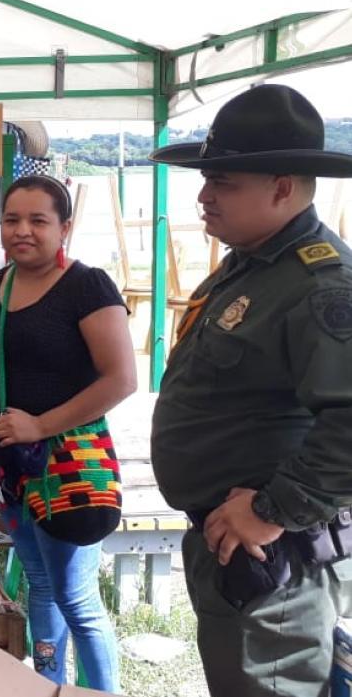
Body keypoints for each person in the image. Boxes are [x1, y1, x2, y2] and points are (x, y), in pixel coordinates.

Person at [150, 84, 352, 697]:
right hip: (232, 547)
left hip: (272, 555)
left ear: (282, 187)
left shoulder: (320, 287)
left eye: (224, 183)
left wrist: (270, 513)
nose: (203, 196)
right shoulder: (250, 266)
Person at [0, 175, 136, 691]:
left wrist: (40, 424)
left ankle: (98, 691)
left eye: (38, 220)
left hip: (67, 464)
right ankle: (48, 683)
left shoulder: (87, 287)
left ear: (64, 227)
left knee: (76, 597)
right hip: (11, 465)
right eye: (11, 219)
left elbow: (122, 379)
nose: (22, 231)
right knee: (40, 584)